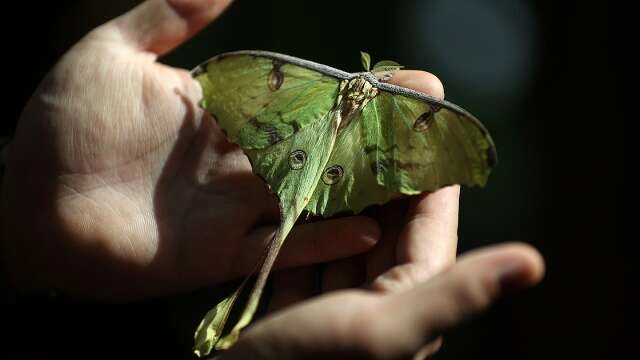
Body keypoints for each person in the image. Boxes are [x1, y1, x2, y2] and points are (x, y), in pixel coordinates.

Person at [0, 0, 544, 358]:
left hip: (337, 165)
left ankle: (229, 321)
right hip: (300, 153)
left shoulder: (395, 103)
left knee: (283, 238)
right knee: (280, 239)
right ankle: (232, 319)